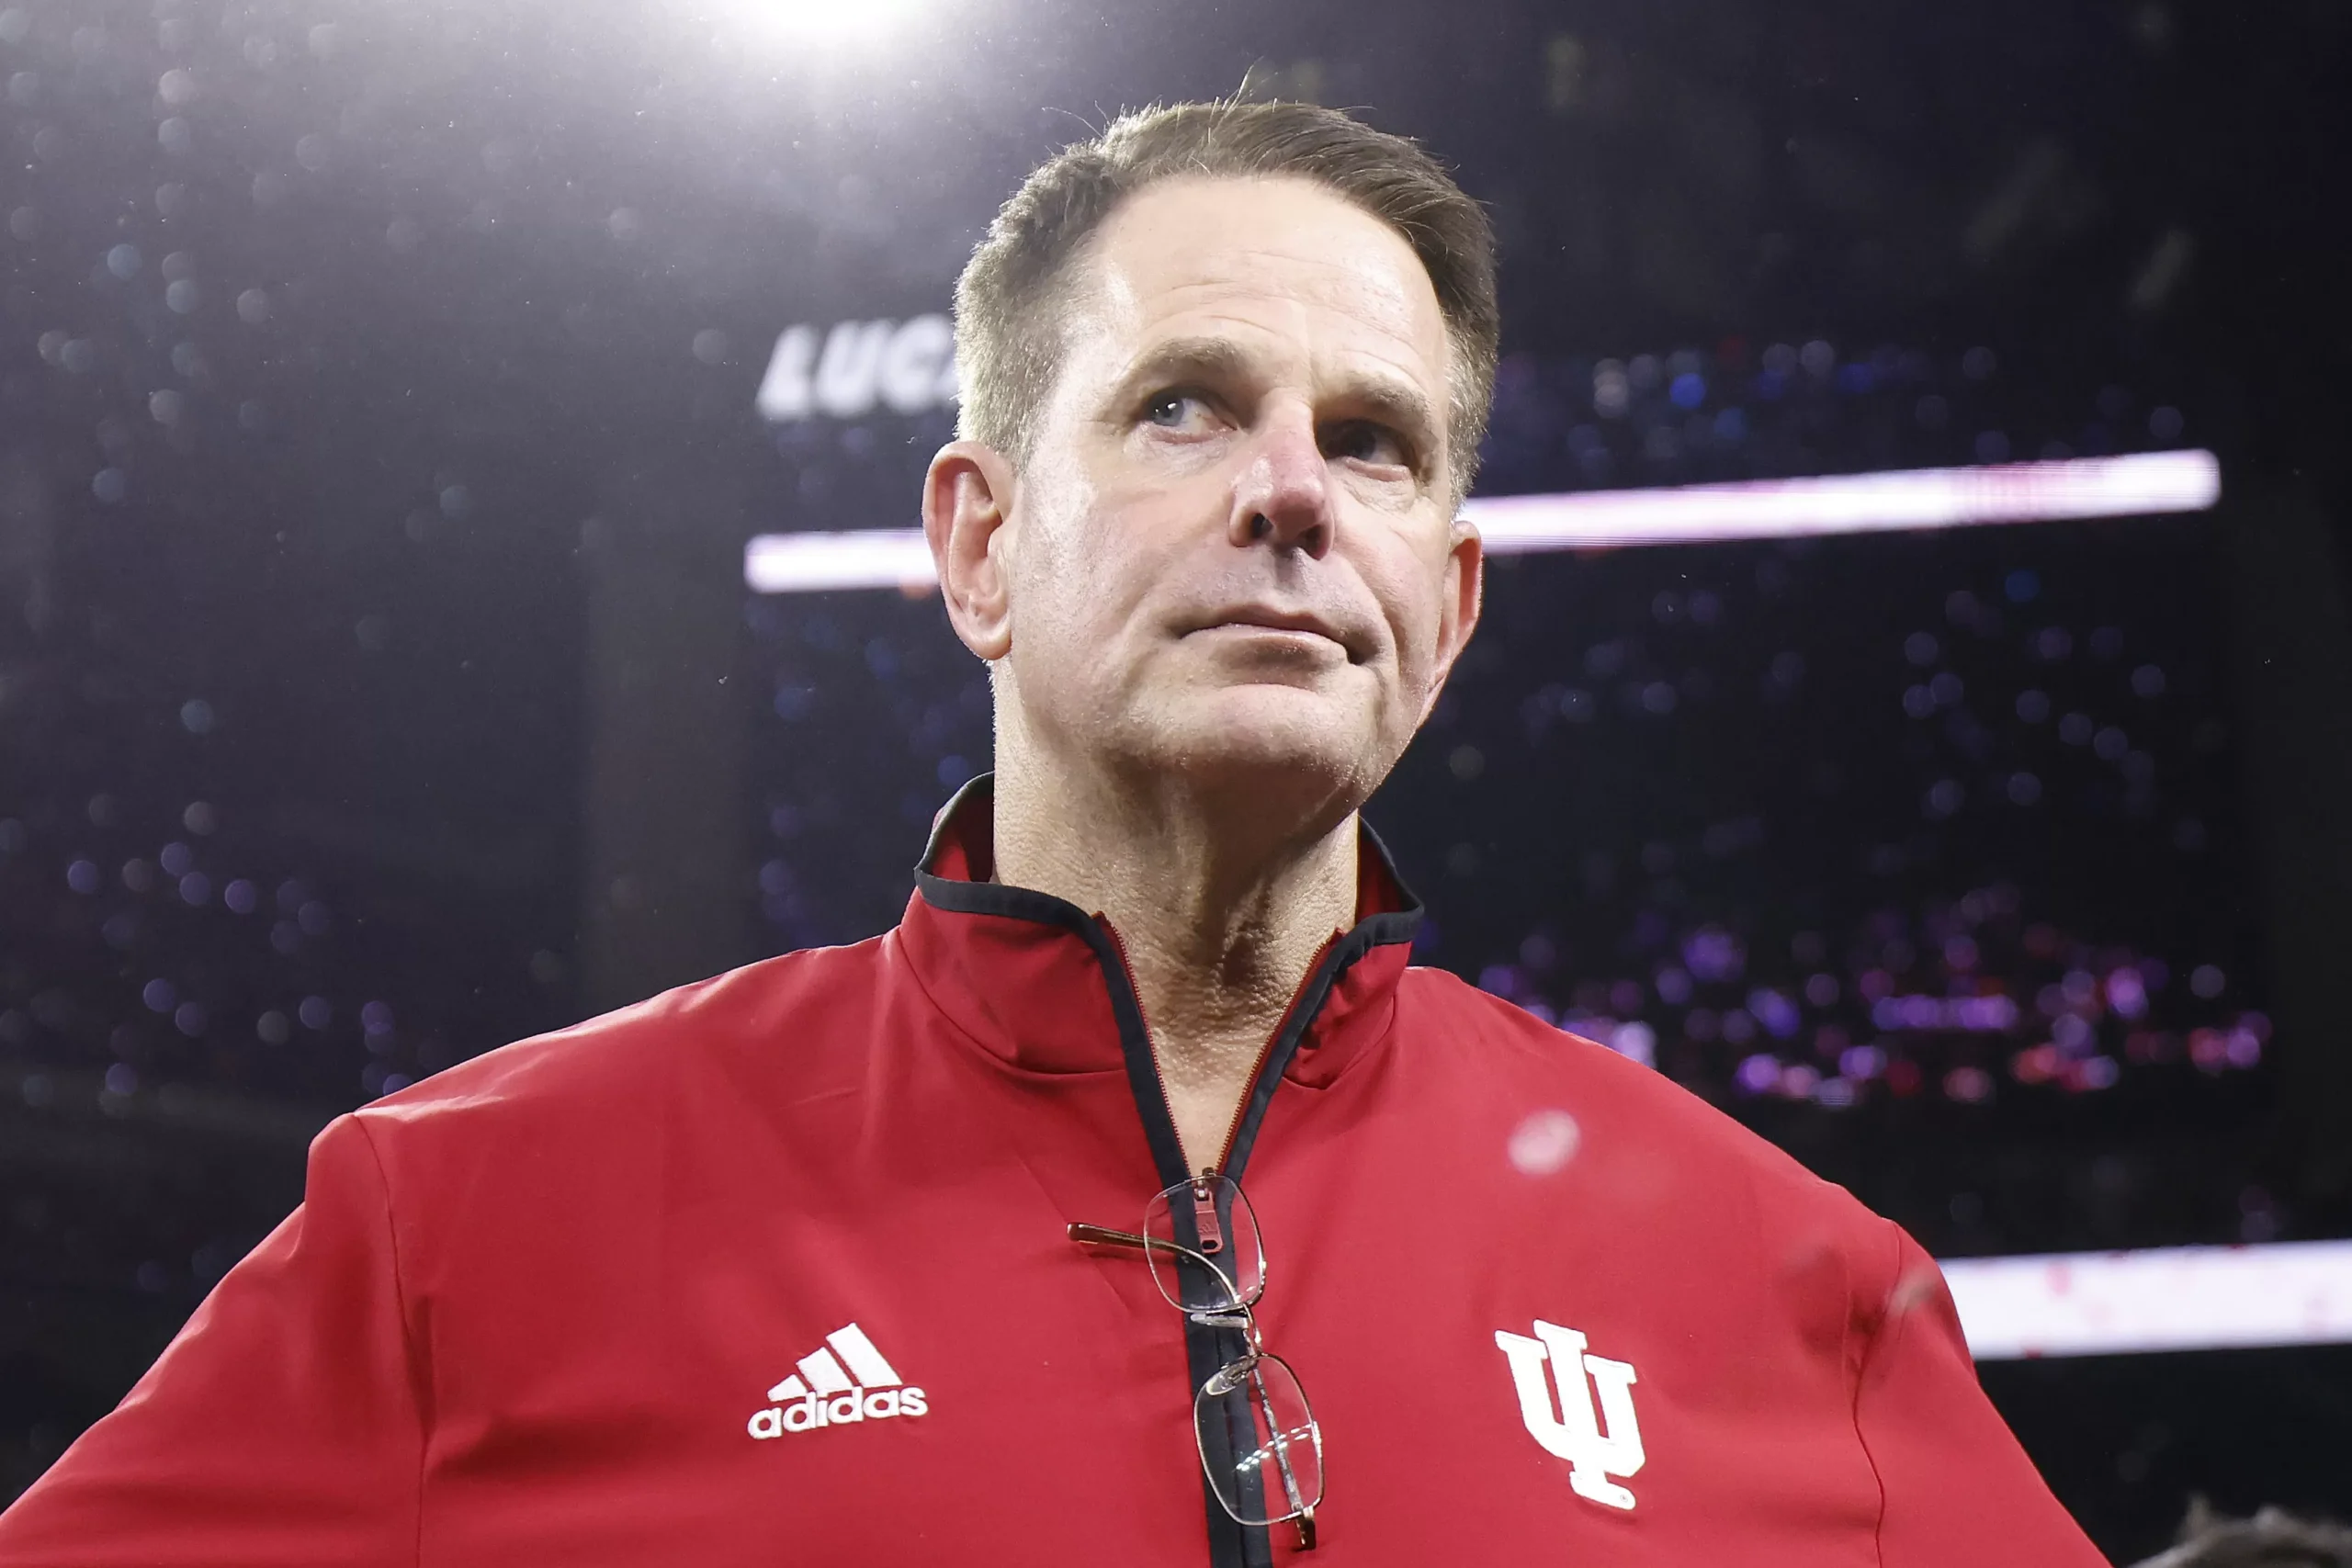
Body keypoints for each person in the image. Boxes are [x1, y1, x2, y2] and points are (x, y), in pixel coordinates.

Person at [0, 99, 2106, 1566]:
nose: (1290, 490)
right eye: (1182, 404)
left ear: (1446, 610)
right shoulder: (461, 1227)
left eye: (1372, 442)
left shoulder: (1793, 1292)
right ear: (977, 543)